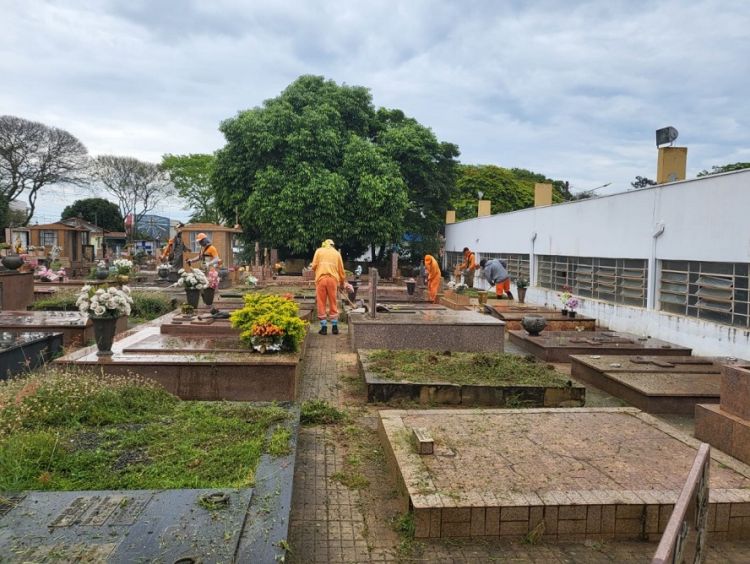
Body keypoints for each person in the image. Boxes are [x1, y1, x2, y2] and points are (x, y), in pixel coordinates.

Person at [311, 238, 346, 335]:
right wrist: (342, 282)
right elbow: (341, 270)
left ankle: (324, 327)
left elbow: (313, 266)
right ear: (332, 245)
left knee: (321, 302)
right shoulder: (337, 254)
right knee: (333, 302)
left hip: (321, 280)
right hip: (333, 280)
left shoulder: (318, 251)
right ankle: (335, 327)